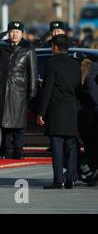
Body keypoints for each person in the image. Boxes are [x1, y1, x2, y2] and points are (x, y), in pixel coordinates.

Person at [0, 21, 38, 160]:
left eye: (17, 32)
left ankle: (19, 151)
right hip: (5, 91)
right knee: (6, 123)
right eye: (12, 31)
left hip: (19, 92)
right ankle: (8, 151)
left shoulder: (28, 49)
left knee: (18, 125)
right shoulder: (3, 47)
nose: (14, 34)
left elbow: (32, 73)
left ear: (22, 34)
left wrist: (31, 93)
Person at [37, 35, 82, 189]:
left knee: (57, 145)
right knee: (71, 145)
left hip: (56, 109)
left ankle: (58, 180)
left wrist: (41, 112)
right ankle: (71, 178)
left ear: (55, 47)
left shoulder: (52, 63)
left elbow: (47, 89)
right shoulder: (76, 64)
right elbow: (78, 89)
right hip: (71, 109)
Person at [77, 56, 98, 186]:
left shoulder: (86, 73)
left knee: (90, 146)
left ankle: (92, 173)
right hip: (94, 112)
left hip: (86, 114)